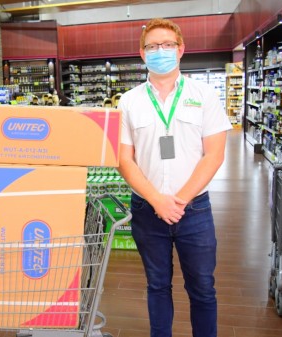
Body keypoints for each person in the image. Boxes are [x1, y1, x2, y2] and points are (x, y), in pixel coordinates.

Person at [117, 18, 232, 337]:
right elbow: (123, 160)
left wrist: (179, 201)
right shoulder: (129, 101)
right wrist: (157, 201)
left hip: (194, 210)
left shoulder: (205, 94)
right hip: (147, 210)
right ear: (142, 54)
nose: (160, 51)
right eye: (152, 46)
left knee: (203, 288)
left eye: (167, 45)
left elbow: (215, 154)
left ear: (181, 50)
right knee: (157, 285)